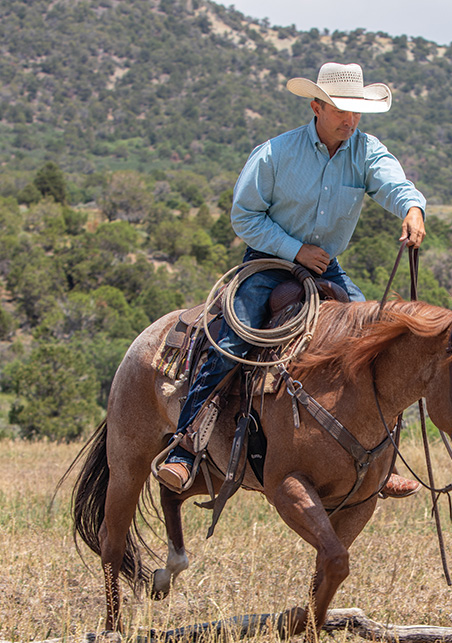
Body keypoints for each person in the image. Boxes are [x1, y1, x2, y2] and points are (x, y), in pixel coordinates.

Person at [156, 62, 427, 497]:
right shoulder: (275, 154)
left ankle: (381, 460)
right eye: (341, 110)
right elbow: (244, 216)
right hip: (267, 262)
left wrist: (413, 209)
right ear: (317, 106)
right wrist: (295, 250)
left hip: (326, 266)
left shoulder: (366, 150)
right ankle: (184, 447)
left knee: (378, 344)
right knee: (229, 345)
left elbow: (396, 184)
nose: (350, 120)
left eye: (356, 111)